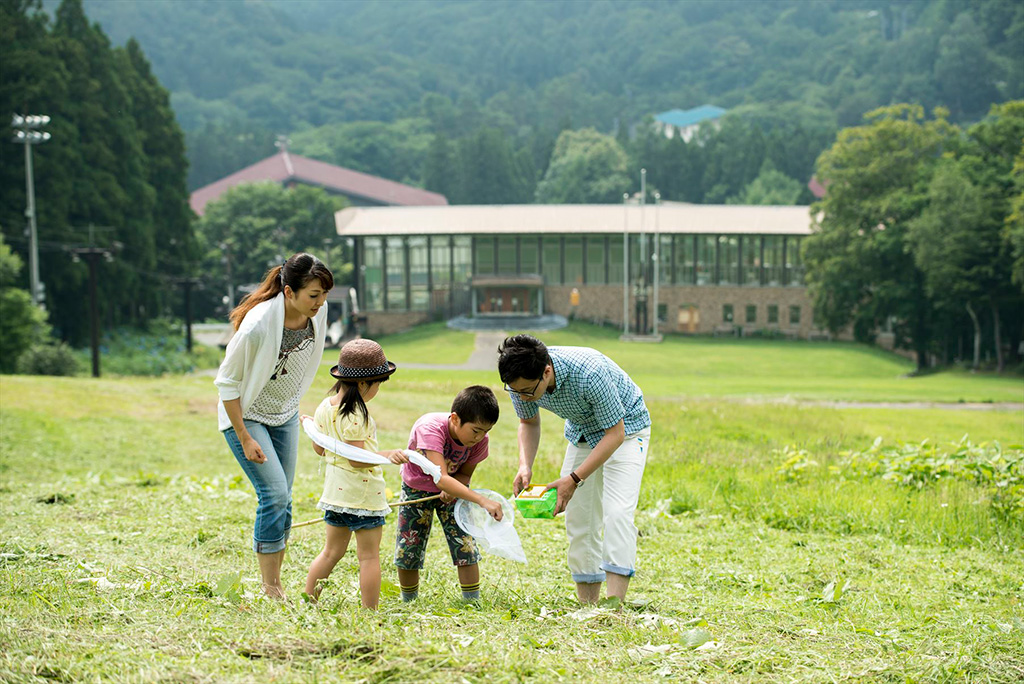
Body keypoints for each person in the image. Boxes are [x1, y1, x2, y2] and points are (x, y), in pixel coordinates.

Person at [497, 334, 651, 605]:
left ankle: (613, 608)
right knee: (579, 518)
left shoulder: (590, 373)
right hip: (583, 431)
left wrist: (574, 479)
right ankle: (588, 605)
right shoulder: (521, 382)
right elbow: (529, 423)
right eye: (515, 391)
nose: (522, 397)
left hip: (626, 430)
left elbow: (615, 434)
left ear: (546, 372)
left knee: (617, 513)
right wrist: (525, 465)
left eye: (527, 392)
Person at [215, 253, 333, 599]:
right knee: (274, 494)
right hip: (248, 416)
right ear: (289, 292)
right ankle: (271, 588)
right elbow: (227, 383)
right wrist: (244, 436)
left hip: (285, 415)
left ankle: (275, 580)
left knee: (285, 499)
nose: (320, 302)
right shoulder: (258, 326)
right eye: (313, 295)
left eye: (324, 294)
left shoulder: (318, 312)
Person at [302, 338, 407, 609]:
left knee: (330, 552)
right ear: (362, 383)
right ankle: (369, 611)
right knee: (369, 557)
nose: (377, 390)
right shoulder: (356, 413)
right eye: (377, 383)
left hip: (335, 494)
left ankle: (309, 601)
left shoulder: (325, 407)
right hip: (363, 494)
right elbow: (357, 459)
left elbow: (320, 449)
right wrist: (387, 455)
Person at [395, 386, 503, 603]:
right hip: (417, 489)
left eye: (486, 431)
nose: (480, 437)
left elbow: (464, 475)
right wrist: (482, 501)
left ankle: (471, 601)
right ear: (455, 419)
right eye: (475, 430)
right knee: (409, 545)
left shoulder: (480, 441)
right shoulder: (430, 429)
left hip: (453, 489)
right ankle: (409, 600)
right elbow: (441, 478)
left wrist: (452, 489)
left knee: (465, 543)